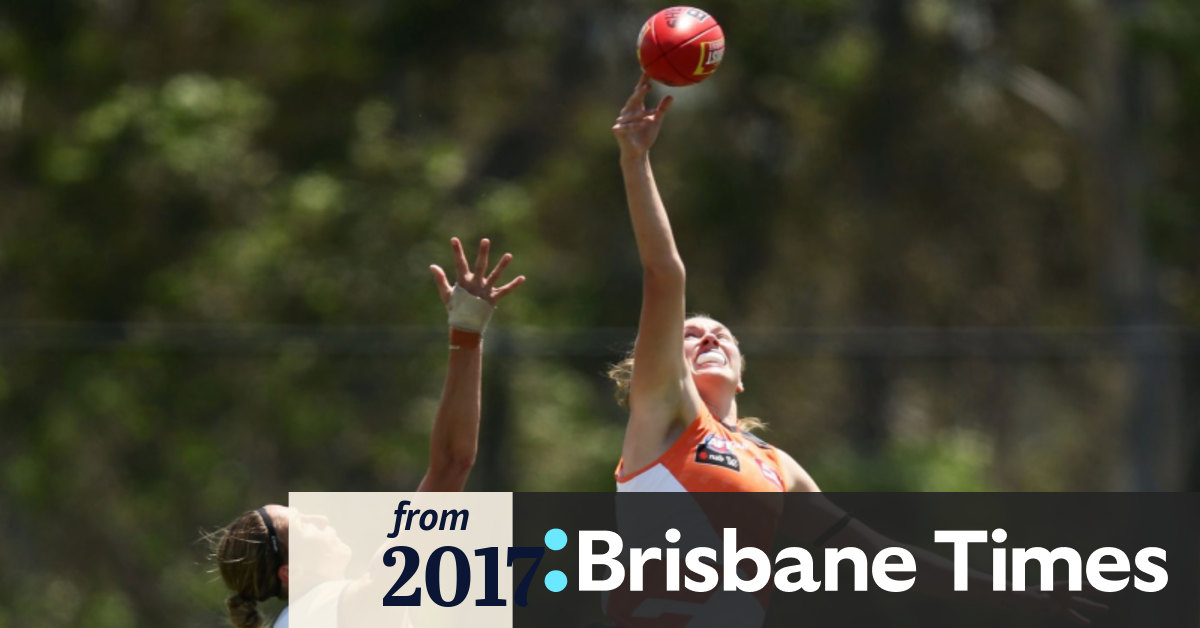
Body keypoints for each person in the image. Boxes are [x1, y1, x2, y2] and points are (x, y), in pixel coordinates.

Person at [606, 74, 1105, 626]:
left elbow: (880, 557)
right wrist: (636, 160)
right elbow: (665, 274)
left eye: (722, 333)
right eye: (689, 334)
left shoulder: (776, 467)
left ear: (742, 374)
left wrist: (1015, 594)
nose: (708, 337)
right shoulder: (664, 414)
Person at [209, 237, 523, 628]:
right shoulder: (339, 605)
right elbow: (451, 464)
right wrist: (466, 334)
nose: (319, 517)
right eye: (304, 525)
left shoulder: (296, 620)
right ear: (290, 572)